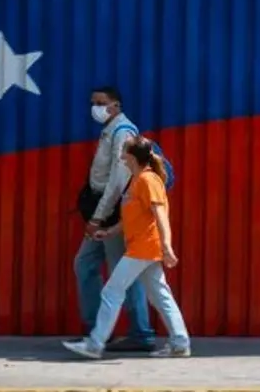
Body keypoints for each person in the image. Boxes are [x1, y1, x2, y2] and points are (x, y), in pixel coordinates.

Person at [64, 135, 191, 359]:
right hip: (143, 247)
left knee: (112, 292)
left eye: (124, 149)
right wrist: (110, 232)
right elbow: (132, 217)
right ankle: (180, 342)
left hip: (144, 248)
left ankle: (95, 344)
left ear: (131, 156)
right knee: (161, 295)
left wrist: (167, 247)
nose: (120, 152)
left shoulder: (148, 180)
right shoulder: (137, 179)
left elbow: (160, 215)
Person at [71, 87, 156, 352]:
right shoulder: (109, 131)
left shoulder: (123, 133)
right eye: (93, 102)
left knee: (123, 272)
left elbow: (118, 182)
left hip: (112, 212)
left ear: (116, 105)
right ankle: (97, 328)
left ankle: (141, 333)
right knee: (84, 264)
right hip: (102, 210)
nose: (96, 107)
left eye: (102, 103)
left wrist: (98, 217)